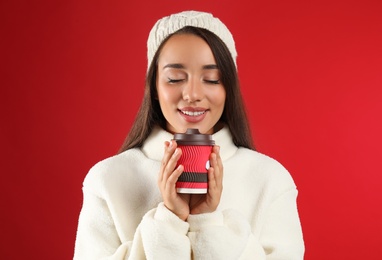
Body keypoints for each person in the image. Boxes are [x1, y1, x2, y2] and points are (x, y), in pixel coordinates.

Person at [74, 10, 305, 259]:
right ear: (153, 86)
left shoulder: (270, 181)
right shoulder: (108, 180)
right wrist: (169, 220)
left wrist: (207, 222)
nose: (192, 94)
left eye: (212, 79)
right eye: (174, 79)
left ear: (229, 88)